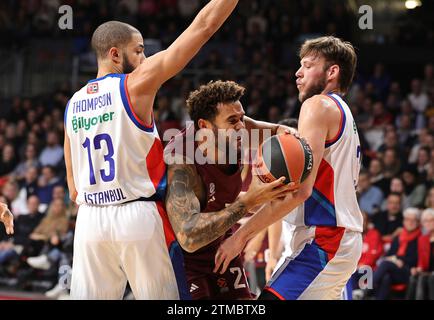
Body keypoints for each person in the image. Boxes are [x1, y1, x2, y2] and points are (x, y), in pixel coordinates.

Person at [64, 1, 240, 300]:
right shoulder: (135, 85)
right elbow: (203, 27)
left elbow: (72, 190)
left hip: (89, 222)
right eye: (139, 50)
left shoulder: (73, 104)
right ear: (115, 54)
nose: (145, 58)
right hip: (136, 215)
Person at [214, 36, 363, 300]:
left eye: (307, 65)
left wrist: (241, 236)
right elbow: (286, 135)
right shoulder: (339, 112)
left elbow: (299, 192)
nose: (298, 72)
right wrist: (236, 118)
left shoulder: (316, 105)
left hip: (325, 240)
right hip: (329, 239)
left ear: (332, 71)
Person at [164, 80, 293, 300]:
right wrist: (248, 202)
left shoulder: (238, 131)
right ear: (204, 126)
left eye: (242, 117)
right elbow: (188, 235)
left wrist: (293, 137)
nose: (241, 126)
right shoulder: (182, 161)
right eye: (232, 121)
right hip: (183, 257)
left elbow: (281, 132)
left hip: (221, 245)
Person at [373, 208, 421, 300]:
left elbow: (414, 259)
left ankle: (366, 289)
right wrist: (395, 259)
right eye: (407, 219)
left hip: (408, 271)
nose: (410, 222)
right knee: (386, 277)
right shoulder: (398, 237)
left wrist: (397, 259)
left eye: (413, 220)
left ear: (418, 222)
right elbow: (388, 255)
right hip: (394, 270)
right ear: (404, 221)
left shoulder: (420, 239)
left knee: (386, 264)